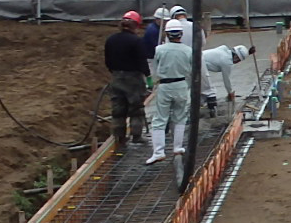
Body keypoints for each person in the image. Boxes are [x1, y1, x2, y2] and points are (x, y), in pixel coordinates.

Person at [145, 24, 194, 166]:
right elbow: (191, 69)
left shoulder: (159, 49)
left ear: (167, 34)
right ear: (181, 34)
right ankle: (177, 147)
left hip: (165, 85)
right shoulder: (188, 50)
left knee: (160, 118)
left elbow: (156, 67)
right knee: (180, 117)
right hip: (181, 85)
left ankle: (158, 152)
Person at [103, 10, 150, 151]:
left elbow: (108, 61)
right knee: (136, 108)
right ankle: (136, 136)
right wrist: (148, 77)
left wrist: (116, 73)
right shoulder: (136, 41)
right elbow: (142, 61)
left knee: (118, 109)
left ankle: (120, 138)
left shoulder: (111, 40)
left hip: (116, 77)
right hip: (133, 78)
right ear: (136, 25)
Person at [200, 43, 251, 115]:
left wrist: (249, 52)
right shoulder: (227, 62)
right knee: (209, 89)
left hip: (198, 59)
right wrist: (230, 92)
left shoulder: (224, 50)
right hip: (199, 64)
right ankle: (210, 110)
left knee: (202, 86)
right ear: (236, 57)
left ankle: (200, 103)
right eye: (238, 61)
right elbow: (226, 79)